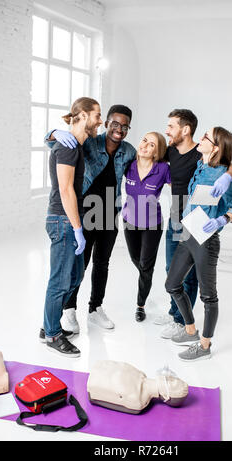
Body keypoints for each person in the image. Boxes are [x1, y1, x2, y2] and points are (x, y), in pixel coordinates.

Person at [44, 105, 136, 332]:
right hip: (84, 210)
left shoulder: (129, 151)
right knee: (79, 265)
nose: (119, 129)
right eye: (115, 124)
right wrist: (55, 132)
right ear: (106, 123)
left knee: (102, 264)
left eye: (124, 126)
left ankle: (95, 309)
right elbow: (53, 144)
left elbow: (147, 167)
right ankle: (69, 309)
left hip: (108, 212)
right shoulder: (91, 140)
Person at [157, 109, 232, 340]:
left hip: (204, 236)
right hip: (182, 223)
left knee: (199, 286)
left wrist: (227, 178)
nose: (167, 130)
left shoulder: (209, 163)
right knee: (172, 278)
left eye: (171, 126)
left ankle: (193, 334)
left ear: (186, 130)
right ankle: (182, 319)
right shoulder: (191, 161)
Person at [41, 97, 102, 358]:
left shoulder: (73, 144)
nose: (100, 120)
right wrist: (77, 228)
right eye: (97, 115)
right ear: (84, 115)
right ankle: (52, 334)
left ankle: (49, 325)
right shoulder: (67, 148)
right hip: (63, 220)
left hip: (69, 220)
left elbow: (51, 139)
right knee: (60, 280)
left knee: (74, 277)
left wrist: (52, 134)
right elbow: (66, 190)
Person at [122, 132, 171, 322]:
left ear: (157, 152)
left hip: (153, 224)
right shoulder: (129, 165)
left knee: (145, 265)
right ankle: (147, 275)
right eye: (144, 140)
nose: (144, 146)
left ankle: (140, 305)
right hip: (129, 221)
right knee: (138, 261)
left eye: (151, 145)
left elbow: (181, 184)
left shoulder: (163, 169)